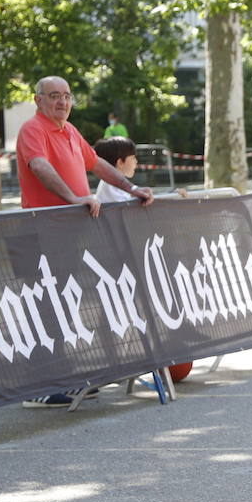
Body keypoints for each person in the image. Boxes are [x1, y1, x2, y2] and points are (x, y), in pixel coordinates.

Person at [17, 77, 154, 408]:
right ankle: (41, 386)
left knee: (62, 302)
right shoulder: (33, 130)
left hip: (67, 231)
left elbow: (97, 164)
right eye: (54, 96)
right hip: (42, 230)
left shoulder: (70, 131)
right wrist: (73, 198)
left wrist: (131, 188)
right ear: (38, 100)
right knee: (45, 305)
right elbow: (40, 167)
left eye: (66, 96)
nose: (62, 102)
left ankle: (61, 376)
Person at [93, 137, 140, 202]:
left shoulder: (110, 184)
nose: (136, 161)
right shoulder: (111, 187)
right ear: (120, 162)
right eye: (133, 158)